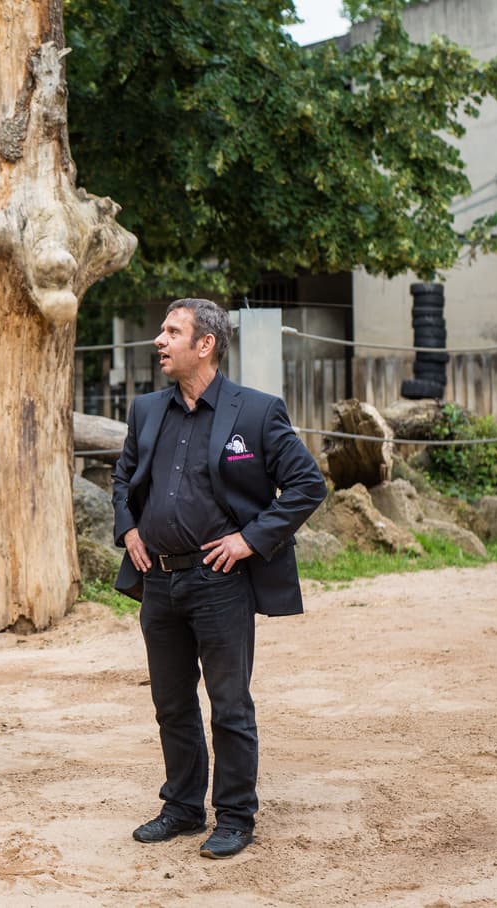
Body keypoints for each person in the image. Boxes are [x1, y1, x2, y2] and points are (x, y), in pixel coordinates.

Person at [112, 298, 326, 859]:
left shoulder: (256, 411)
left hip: (220, 583)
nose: (159, 340)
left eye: (171, 332)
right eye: (161, 331)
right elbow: (123, 478)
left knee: (229, 705)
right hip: (159, 581)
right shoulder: (146, 410)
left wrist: (250, 539)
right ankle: (183, 808)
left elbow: (307, 484)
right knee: (171, 703)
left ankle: (234, 816)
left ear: (204, 344)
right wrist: (128, 528)